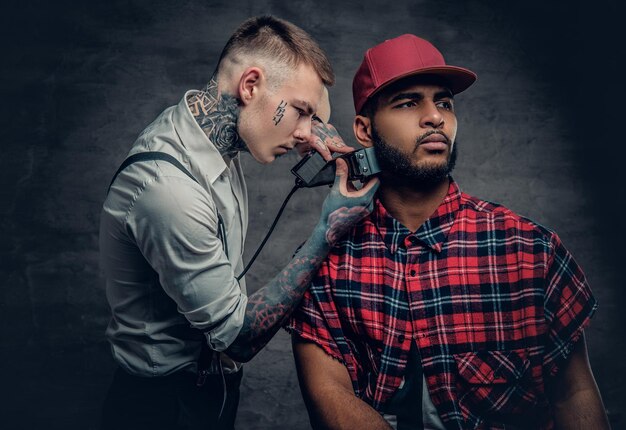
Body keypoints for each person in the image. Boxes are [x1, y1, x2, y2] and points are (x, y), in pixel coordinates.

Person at [288, 34, 610, 429]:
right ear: (365, 131)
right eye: (409, 103)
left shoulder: (531, 250)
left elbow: (573, 394)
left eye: (444, 102)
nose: (435, 117)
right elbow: (328, 396)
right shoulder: (325, 264)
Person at [99, 15, 378, 430]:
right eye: (301, 111)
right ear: (250, 85)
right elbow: (238, 337)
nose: (306, 134)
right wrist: (326, 232)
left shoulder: (209, 131)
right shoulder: (168, 190)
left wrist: (313, 121)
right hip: (161, 407)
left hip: (209, 390)